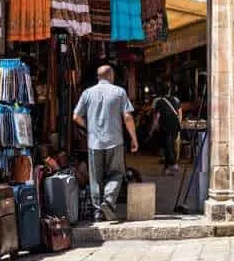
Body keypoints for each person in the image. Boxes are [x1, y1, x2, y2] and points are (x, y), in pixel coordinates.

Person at [73, 64, 139, 222]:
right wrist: (134, 139)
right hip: (115, 141)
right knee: (117, 174)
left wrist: (89, 126)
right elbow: (128, 117)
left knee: (95, 178)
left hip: (94, 143)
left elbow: (75, 116)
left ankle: (98, 212)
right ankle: (108, 201)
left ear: (98, 77)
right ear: (111, 76)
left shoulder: (87, 93)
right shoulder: (119, 92)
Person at [154, 82, 183, 176]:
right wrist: (179, 123)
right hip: (175, 125)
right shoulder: (175, 100)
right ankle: (167, 169)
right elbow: (180, 113)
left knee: (168, 145)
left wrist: (155, 125)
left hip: (165, 125)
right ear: (170, 91)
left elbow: (157, 116)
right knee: (169, 144)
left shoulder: (159, 101)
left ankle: (174, 164)